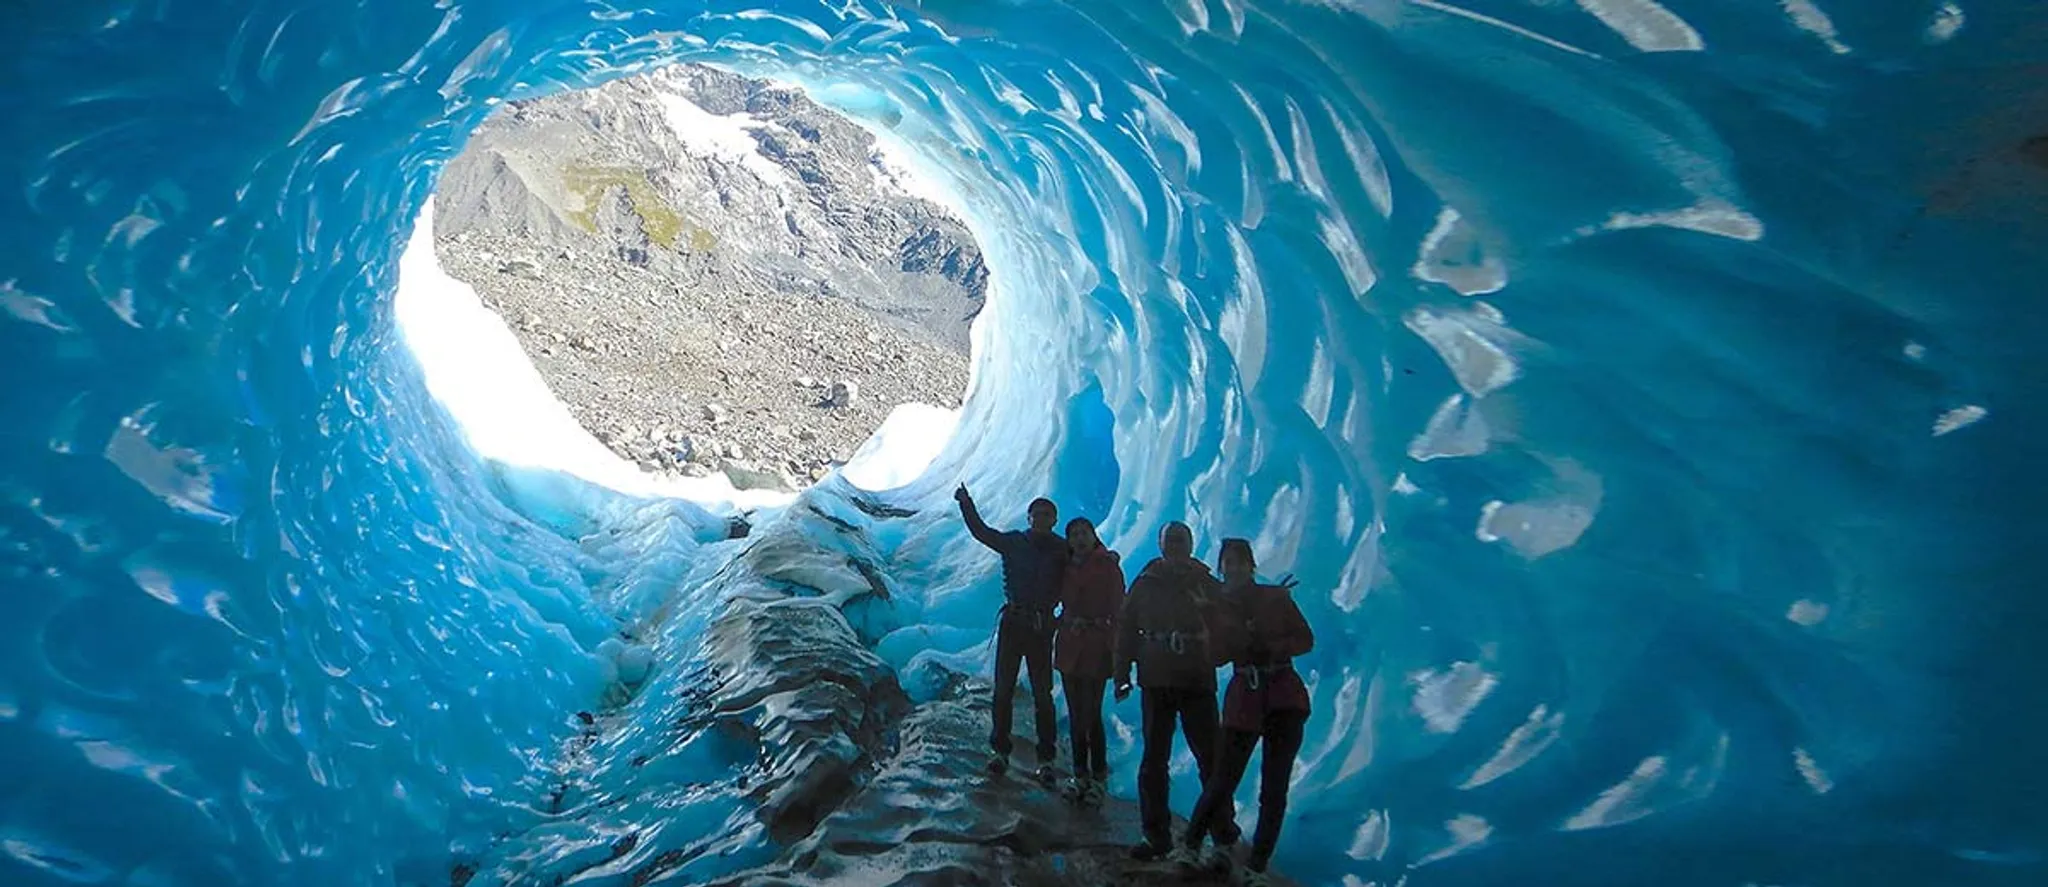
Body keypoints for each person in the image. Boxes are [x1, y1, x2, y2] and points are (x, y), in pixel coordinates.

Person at [1173, 539, 1314, 885]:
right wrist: (1208, 615)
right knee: (1223, 779)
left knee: (1273, 788)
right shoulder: (1216, 605)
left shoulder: (1275, 597)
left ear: (1251, 565)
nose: (1233, 567)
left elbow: (1305, 640)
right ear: (1221, 568)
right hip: (1245, 699)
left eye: (1239, 561)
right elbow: (1217, 657)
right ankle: (1191, 843)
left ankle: (1256, 867)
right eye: (1228, 562)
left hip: (1283, 698)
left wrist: (1272, 646)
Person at [1115, 521, 1240, 861]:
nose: (1175, 545)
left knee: (1210, 758)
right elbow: (1126, 628)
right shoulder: (1145, 583)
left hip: (1196, 676)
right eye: (1170, 540)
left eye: (1181, 540)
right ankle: (1156, 836)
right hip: (1156, 677)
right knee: (1155, 760)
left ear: (1190, 543)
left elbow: (1234, 614)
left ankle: (1223, 835)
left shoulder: (1205, 582)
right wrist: (1121, 672)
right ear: (1161, 545)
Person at [956, 484, 1069, 781]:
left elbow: (1087, 560)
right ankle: (1000, 752)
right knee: (1004, 688)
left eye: (1047, 514)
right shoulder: (1015, 542)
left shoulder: (1062, 550)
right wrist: (966, 504)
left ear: (1053, 520)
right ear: (1029, 517)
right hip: (1015, 620)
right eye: (1037, 514)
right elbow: (982, 532)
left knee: (1042, 693)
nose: (1041, 518)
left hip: (1041, 624)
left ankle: (1046, 759)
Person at [1053, 516, 1125, 806]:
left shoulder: (1108, 566)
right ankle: (1079, 774)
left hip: (1096, 644)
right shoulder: (1065, 567)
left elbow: (1120, 607)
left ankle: (1098, 777)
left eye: (1085, 533)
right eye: (1075, 535)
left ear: (1094, 536)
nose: (1080, 538)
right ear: (1069, 541)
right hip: (1070, 642)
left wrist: (1118, 650)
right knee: (1076, 710)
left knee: (1091, 713)